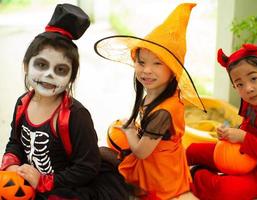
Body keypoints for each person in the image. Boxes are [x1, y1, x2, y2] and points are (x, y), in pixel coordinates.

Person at [0, 3, 129, 199]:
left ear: (71, 77)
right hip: (27, 180)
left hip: (65, 185)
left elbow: (87, 168)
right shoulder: (22, 104)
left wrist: (45, 181)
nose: (49, 74)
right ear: (26, 65)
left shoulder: (75, 115)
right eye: (41, 65)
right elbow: (15, 142)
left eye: (60, 69)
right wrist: (12, 164)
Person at [94, 3, 206, 200]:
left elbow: (141, 151)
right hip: (157, 160)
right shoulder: (155, 93)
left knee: (105, 161)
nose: (147, 70)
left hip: (160, 174)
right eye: (141, 62)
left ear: (172, 71)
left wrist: (129, 131)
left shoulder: (164, 111)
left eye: (157, 64)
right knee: (103, 154)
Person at [186, 43, 257, 199]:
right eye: (240, 84)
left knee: (223, 190)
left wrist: (244, 138)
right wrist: (228, 135)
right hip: (242, 157)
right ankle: (195, 172)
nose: (248, 88)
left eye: (253, 78)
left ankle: (197, 174)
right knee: (193, 150)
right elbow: (244, 131)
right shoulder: (251, 104)